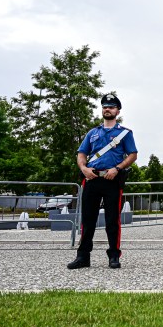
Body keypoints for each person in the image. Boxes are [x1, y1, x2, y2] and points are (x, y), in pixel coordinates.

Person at [68, 93, 137, 270]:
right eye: (105, 106)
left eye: (111, 107)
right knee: (87, 220)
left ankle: (114, 255)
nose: (108, 109)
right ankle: (83, 256)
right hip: (92, 179)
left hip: (112, 179)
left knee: (112, 220)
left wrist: (118, 168)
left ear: (117, 111)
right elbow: (81, 153)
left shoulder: (124, 133)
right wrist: (83, 169)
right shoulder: (93, 132)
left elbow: (133, 155)